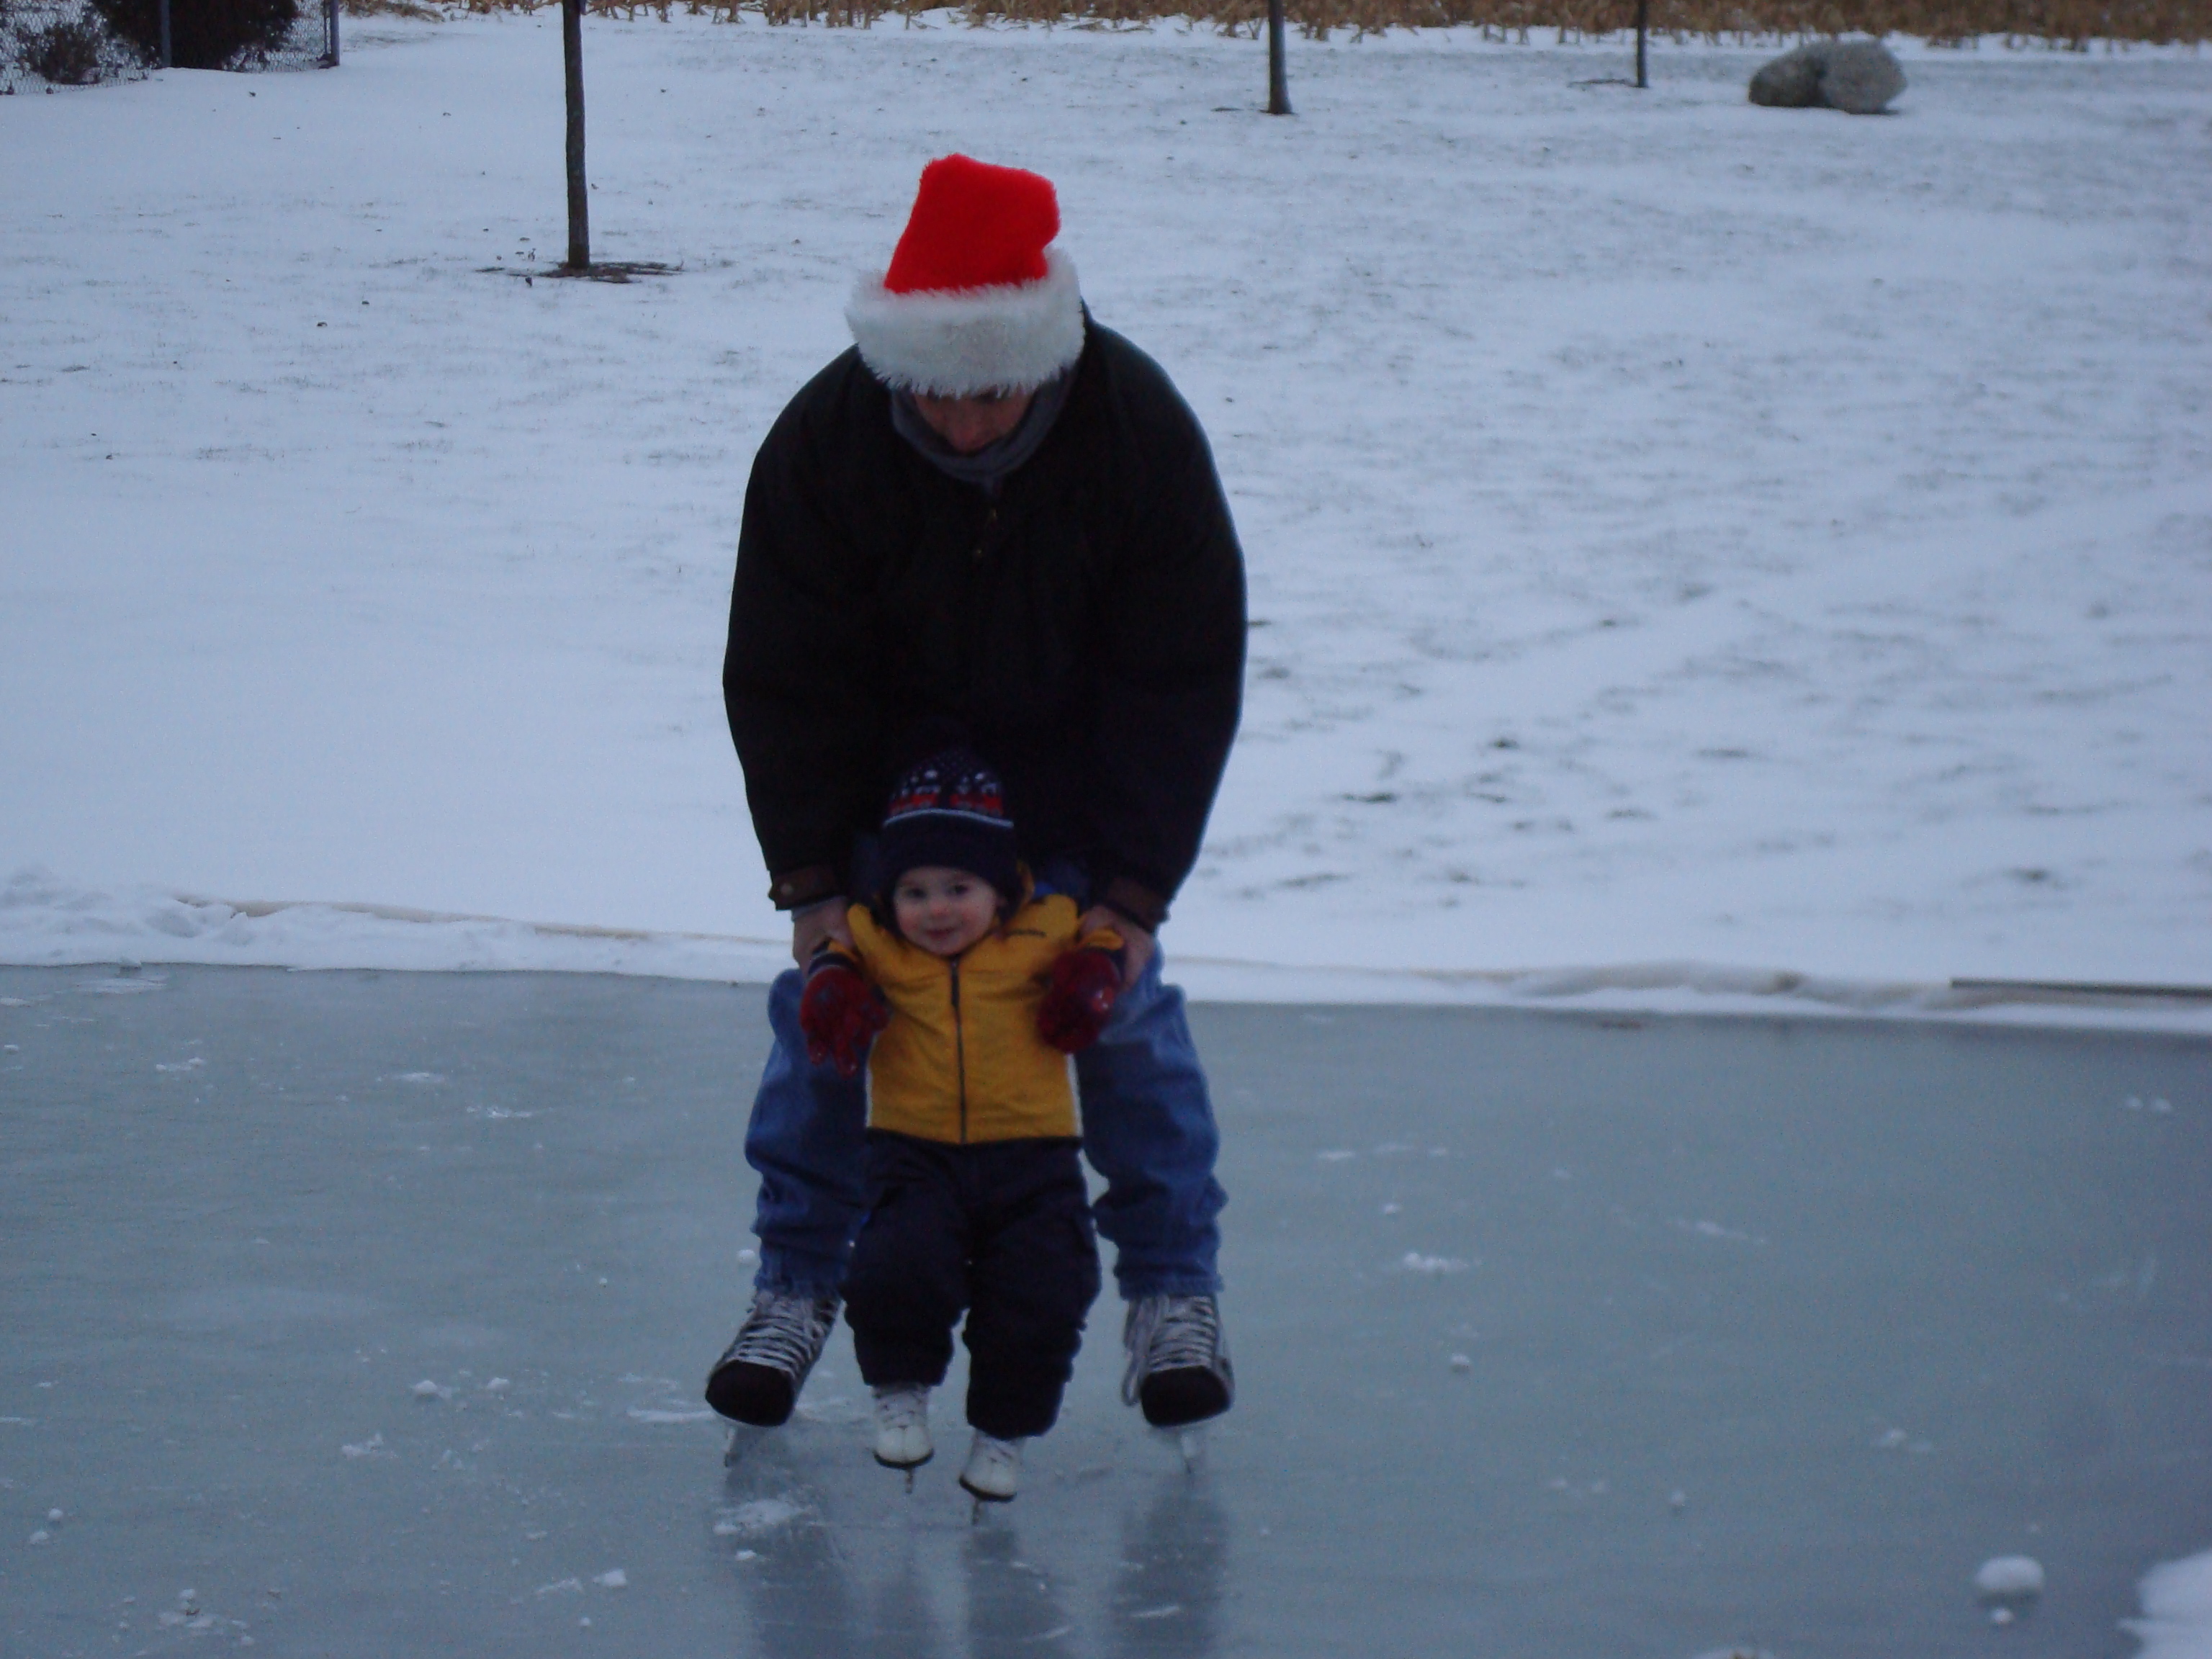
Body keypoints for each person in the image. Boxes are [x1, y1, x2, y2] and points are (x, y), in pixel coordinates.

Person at [705, 152, 1246, 1437]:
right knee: (827, 1032)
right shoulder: (827, 439)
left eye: (990, 390)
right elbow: (782, 673)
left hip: (1067, 815)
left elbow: (1180, 672)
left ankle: (1173, 1294)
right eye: (934, 393)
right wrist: (814, 888)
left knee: (1124, 1030)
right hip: (891, 827)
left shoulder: (1134, 429)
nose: (962, 424)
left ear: (1042, 354)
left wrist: (1128, 895)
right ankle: (794, 1283)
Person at [801, 747, 1122, 1501]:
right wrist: (833, 986)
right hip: (913, 1154)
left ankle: (1002, 1435)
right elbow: (833, 954)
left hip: (1036, 1161)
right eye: (913, 891)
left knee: (1045, 1293)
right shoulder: (876, 941)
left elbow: (1101, 944)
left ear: (1001, 888)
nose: (936, 910)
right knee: (896, 1269)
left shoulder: (1049, 928)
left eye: (958, 888)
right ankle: (900, 1390)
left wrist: (1092, 975)